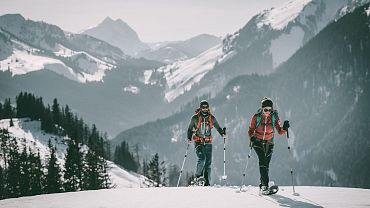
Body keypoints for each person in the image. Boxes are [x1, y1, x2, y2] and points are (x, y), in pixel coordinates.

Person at [248, 97, 290, 193]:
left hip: (269, 142)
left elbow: (280, 131)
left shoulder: (274, 116)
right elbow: (250, 130)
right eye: (265, 109)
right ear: (262, 109)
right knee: (262, 159)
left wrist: (285, 128)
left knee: (266, 164)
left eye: (270, 109)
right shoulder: (256, 117)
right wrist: (252, 137)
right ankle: (265, 186)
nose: (268, 111)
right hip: (257, 141)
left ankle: (262, 185)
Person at [187, 100, 226, 186]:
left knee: (208, 163)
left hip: (208, 143)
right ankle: (198, 177)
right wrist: (189, 138)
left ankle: (206, 182)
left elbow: (218, 128)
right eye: (203, 107)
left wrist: (222, 133)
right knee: (202, 158)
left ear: (208, 108)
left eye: (206, 107)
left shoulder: (211, 118)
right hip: (198, 142)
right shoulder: (195, 118)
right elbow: (190, 129)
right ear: (200, 108)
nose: (205, 109)